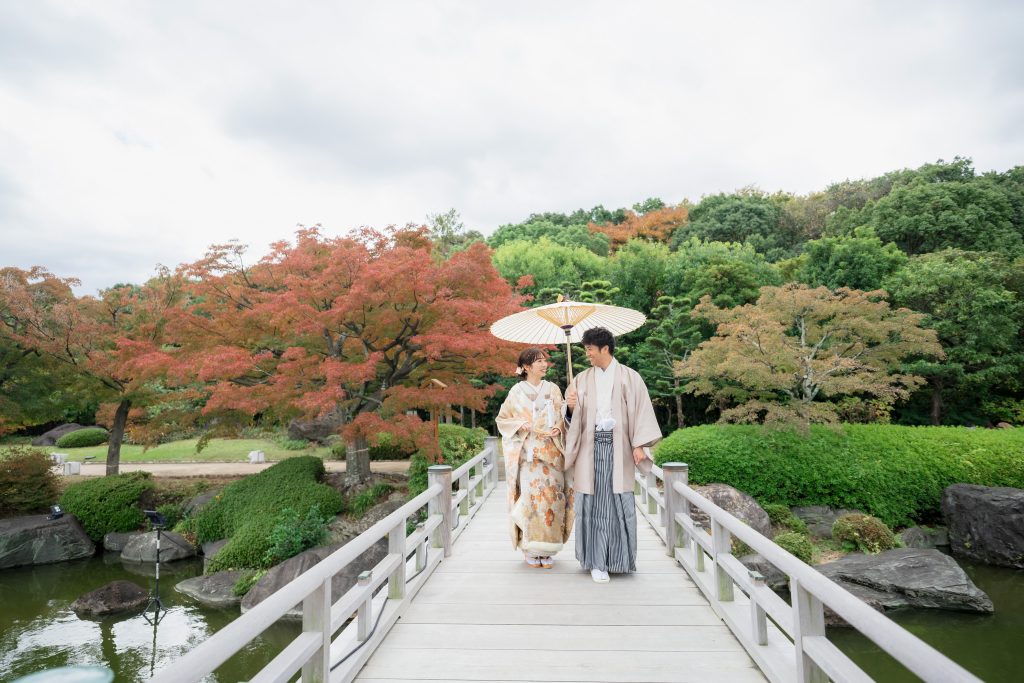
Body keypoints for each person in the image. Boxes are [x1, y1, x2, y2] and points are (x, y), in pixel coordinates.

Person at [564, 327, 661, 583]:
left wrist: (639, 444)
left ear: (604, 349)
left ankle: (619, 559)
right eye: (586, 350)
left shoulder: (630, 377)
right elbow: (571, 421)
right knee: (593, 502)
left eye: (590, 350)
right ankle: (596, 562)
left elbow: (641, 413)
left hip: (618, 448)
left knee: (615, 501)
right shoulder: (581, 380)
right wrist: (571, 408)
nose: (588, 355)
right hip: (589, 448)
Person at [496, 347, 574, 568]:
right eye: (538, 361)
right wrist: (522, 424)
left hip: (552, 453)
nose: (543, 364)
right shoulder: (516, 392)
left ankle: (548, 548)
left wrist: (560, 426)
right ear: (527, 367)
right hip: (530, 456)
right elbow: (503, 420)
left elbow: (562, 416)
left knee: (553, 500)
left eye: (544, 361)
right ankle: (531, 548)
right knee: (533, 501)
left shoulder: (554, 389)